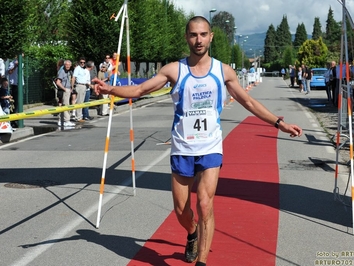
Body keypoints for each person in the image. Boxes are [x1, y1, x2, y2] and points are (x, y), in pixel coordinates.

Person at [92, 16, 302, 266]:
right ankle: (191, 233)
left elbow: (248, 102)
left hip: (211, 147)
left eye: (203, 34)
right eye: (193, 35)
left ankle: (201, 262)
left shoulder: (223, 71)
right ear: (187, 38)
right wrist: (110, 90)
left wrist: (280, 124)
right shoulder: (174, 70)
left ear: (211, 36)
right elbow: (139, 90)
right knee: (182, 211)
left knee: (205, 203)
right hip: (182, 148)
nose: (198, 39)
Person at [55, 60, 75, 127]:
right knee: (66, 105)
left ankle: (61, 120)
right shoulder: (62, 72)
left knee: (64, 106)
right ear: (64, 65)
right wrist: (64, 89)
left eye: (69, 65)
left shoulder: (68, 71)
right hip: (64, 91)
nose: (68, 66)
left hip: (67, 90)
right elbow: (58, 82)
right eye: (66, 65)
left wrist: (71, 88)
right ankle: (66, 120)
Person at [71, 57, 91, 122]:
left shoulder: (83, 69)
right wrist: (72, 87)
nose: (82, 63)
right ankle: (78, 117)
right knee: (79, 102)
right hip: (79, 85)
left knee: (81, 102)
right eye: (81, 62)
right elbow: (73, 77)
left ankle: (79, 116)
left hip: (84, 86)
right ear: (79, 62)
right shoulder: (77, 69)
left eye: (84, 62)